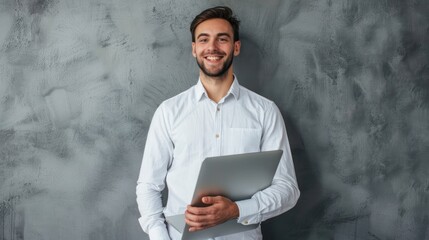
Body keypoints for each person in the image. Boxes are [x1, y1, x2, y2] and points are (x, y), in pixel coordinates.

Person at [136, 6, 300, 240]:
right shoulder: (169, 111)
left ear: (236, 47)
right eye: (204, 40)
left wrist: (238, 210)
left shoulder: (265, 111)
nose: (212, 47)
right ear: (194, 49)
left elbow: (288, 189)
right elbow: (148, 187)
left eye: (222, 39)